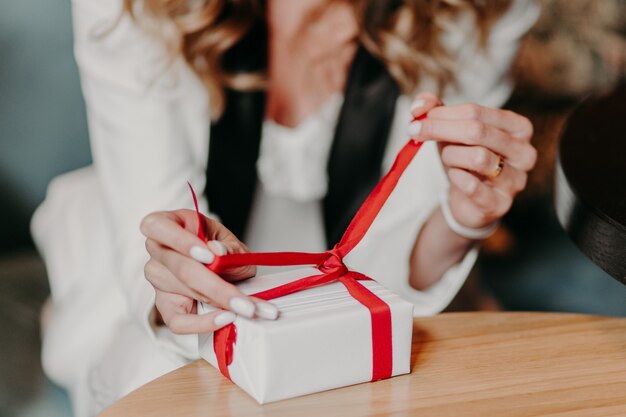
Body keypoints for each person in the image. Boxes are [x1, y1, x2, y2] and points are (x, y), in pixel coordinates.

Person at [32, 0, 539, 415]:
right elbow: (157, 220)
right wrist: (180, 272)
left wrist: (462, 217)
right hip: (164, 250)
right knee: (161, 381)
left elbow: (396, 249)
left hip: (377, 270)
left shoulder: (481, 11)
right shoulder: (126, 8)